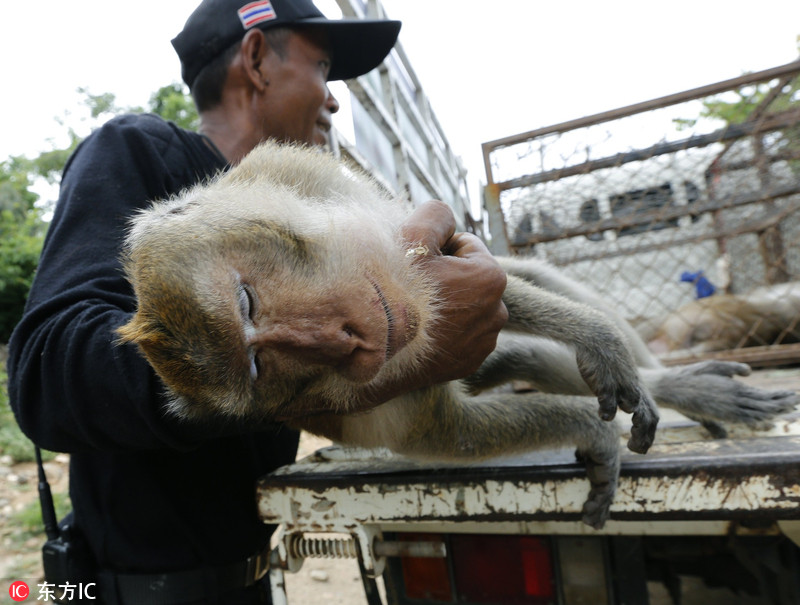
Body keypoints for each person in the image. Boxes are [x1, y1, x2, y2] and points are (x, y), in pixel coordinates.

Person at [7, 0, 507, 603]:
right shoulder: (142, 152)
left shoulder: (300, 212)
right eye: (321, 68)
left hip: (252, 577)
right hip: (140, 589)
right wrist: (321, 366)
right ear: (255, 61)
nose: (332, 98)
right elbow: (46, 373)